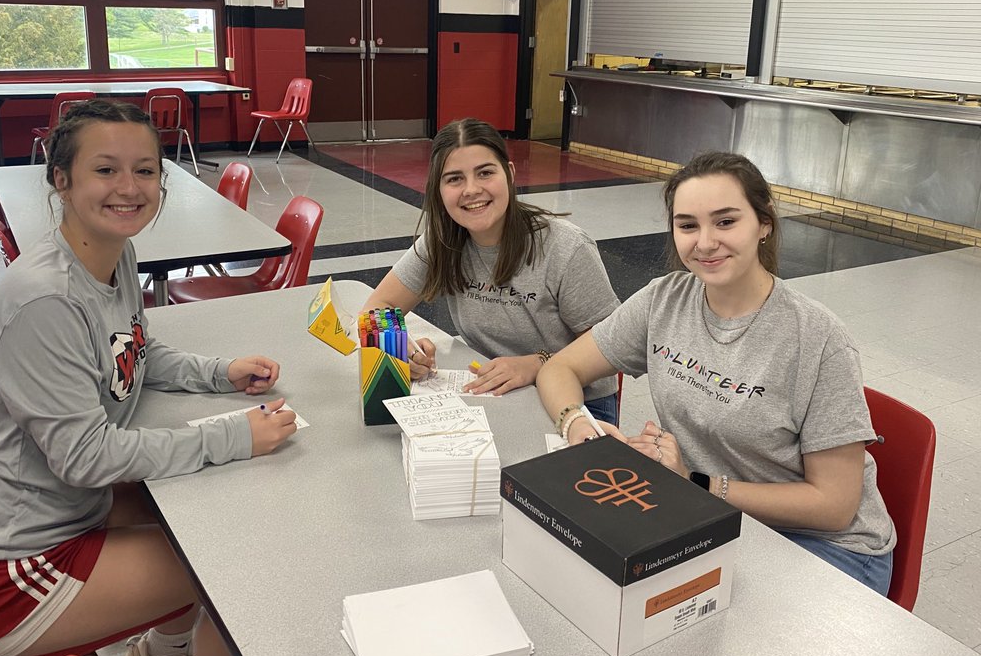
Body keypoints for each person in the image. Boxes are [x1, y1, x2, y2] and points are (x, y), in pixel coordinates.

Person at [0, 100, 299, 656]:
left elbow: (135, 352)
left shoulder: (111, 254)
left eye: (146, 170)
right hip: (8, 574)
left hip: (68, 514)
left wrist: (219, 374)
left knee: (199, 513)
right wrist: (234, 434)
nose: (129, 188)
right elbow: (88, 459)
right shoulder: (44, 300)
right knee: (230, 565)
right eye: (105, 170)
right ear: (62, 181)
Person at [536, 151, 896, 594]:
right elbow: (561, 368)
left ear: (764, 224)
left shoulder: (816, 338)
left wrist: (697, 482)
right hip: (707, 514)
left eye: (725, 222)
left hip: (824, 547)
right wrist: (578, 426)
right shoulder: (664, 300)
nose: (704, 242)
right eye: (688, 225)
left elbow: (835, 507)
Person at [363, 118, 621, 421]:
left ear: (509, 174)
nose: (471, 190)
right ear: (438, 189)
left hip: (578, 403)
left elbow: (611, 346)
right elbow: (377, 309)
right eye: (454, 179)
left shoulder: (565, 247)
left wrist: (538, 364)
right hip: (495, 393)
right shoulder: (442, 241)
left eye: (485, 173)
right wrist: (398, 349)